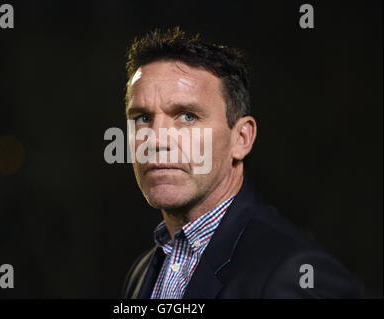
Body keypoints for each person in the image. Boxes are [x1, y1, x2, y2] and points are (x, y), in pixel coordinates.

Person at [121, 27, 361, 298]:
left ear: (241, 138)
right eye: (142, 118)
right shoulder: (142, 273)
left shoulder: (295, 273)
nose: (156, 140)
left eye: (187, 116)